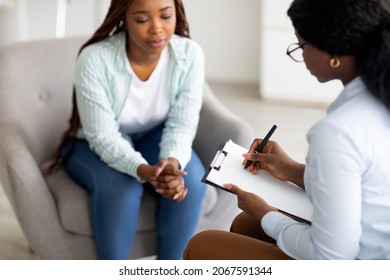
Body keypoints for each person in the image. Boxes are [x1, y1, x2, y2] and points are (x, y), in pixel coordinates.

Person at [183, 0, 390, 260]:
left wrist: (266, 214)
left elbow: (330, 257)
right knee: (244, 226)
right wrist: (289, 169)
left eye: (301, 45)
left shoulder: (338, 131)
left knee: (203, 245)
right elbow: (363, 183)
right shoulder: (377, 98)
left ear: (333, 54)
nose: (300, 54)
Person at [49, 0, 207, 260]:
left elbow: (182, 121)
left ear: (177, 14)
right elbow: (103, 136)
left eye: (166, 16)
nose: (157, 29)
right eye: (142, 20)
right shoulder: (95, 59)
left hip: (152, 134)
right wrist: (145, 171)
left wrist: (171, 161)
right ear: (123, 18)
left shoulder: (189, 54)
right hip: (91, 142)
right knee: (123, 190)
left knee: (190, 180)